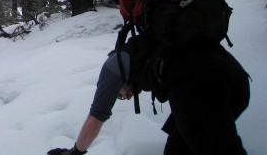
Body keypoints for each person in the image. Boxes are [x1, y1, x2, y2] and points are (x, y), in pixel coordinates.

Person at [46, 33, 250, 155]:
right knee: (179, 149)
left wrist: (76, 152)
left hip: (200, 83)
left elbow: (96, 117)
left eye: (119, 95)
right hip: (235, 78)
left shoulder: (113, 67)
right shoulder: (145, 54)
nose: (124, 97)